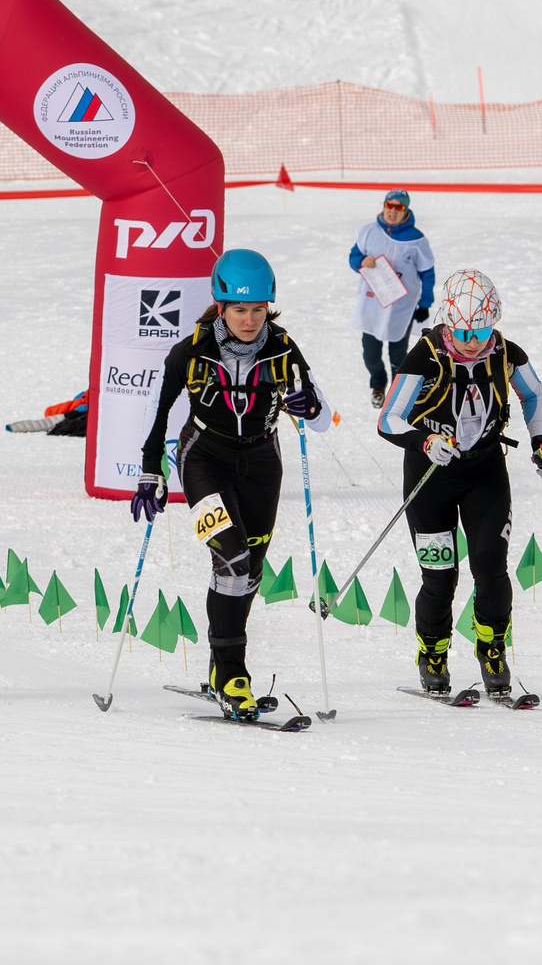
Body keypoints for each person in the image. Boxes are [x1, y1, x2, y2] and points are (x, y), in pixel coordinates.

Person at [133, 248, 326, 721]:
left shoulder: (283, 349)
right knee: (233, 560)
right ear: (220, 306)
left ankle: (221, 667)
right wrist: (150, 469)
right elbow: (158, 410)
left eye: (258, 309)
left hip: (262, 463)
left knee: (248, 573)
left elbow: (320, 415)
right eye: (239, 309)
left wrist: (309, 405)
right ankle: (233, 676)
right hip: (203, 457)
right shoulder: (192, 350)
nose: (250, 320)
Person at [376, 269, 542, 702]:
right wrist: (425, 441)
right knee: (440, 577)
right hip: (429, 476)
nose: (472, 341)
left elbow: (533, 394)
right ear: (447, 323)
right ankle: (433, 655)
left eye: (482, 331)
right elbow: (388, 418)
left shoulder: (506, 353)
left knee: (491, 568)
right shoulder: (425, 356)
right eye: (462, 332)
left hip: (485, 472)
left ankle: (492, 651)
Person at [347, 187, 435, 407]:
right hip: (372, 305)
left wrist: (425, 303)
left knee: (398, 356)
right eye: (389, 205)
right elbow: (354, 256)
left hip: (401, 308)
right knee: (370, 355)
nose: (392, 211)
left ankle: (399, 392)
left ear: (406, 211)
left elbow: (428, 273)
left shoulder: (417, 240)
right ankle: (378, 384)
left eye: (399, 207)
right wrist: (360, 262)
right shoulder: (369, 232)